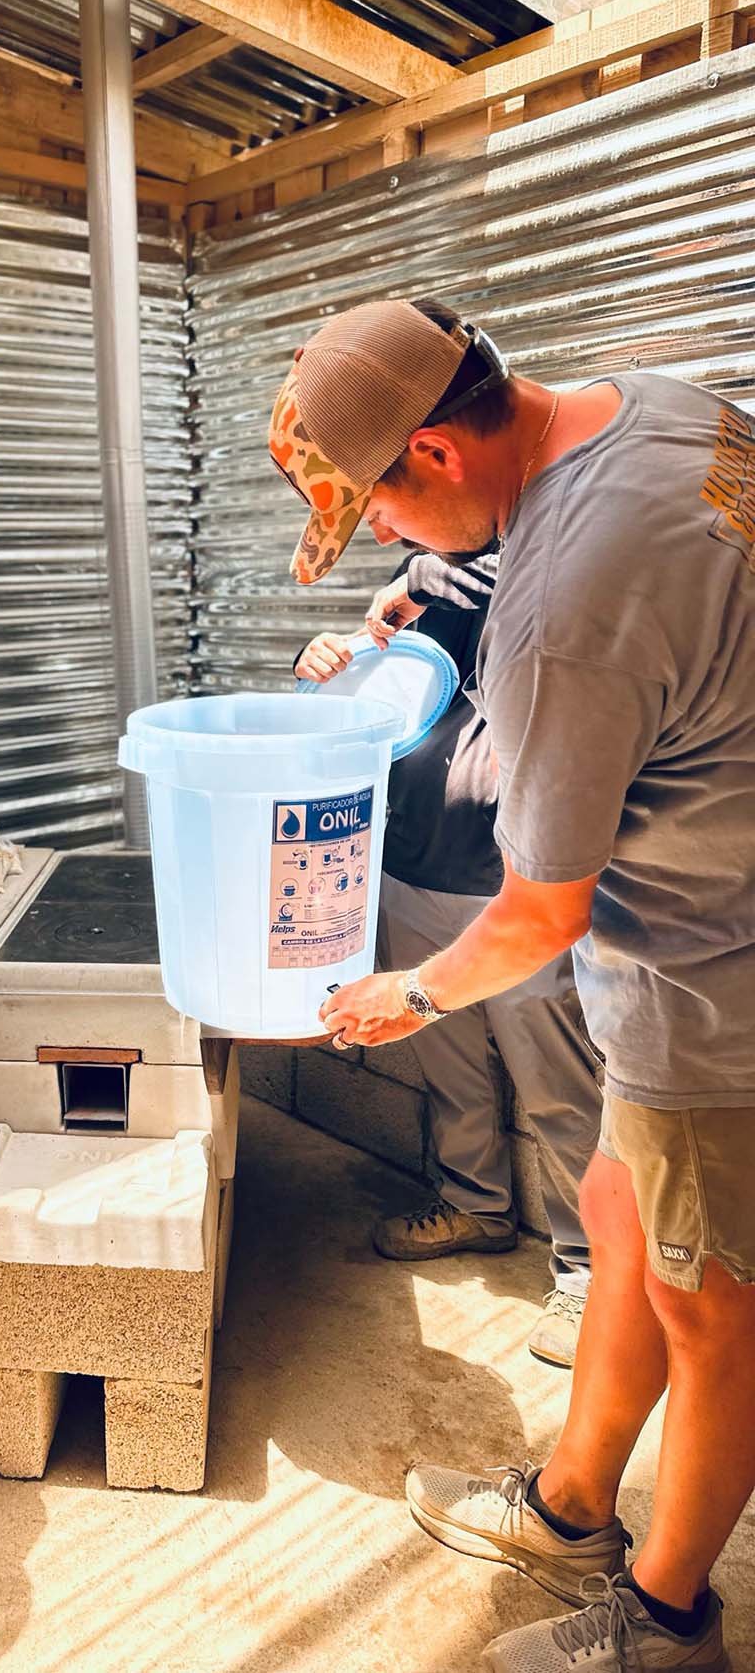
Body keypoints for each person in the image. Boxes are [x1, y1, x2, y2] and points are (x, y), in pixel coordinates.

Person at [269, 297, 754, 1671]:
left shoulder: (559, 619)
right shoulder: (653, 404)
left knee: (715, 1310)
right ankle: (569, 1505)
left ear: (434, 448)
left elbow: (541, 909)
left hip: (719, 978)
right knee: (616, 1209)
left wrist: (407, 995)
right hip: (710, 908)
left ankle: (667, 1621)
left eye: (378, 505)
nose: (382, 538)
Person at [295, 548, 602, 1368]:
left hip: (514, 892)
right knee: (447, 1062)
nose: (394, 525)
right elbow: (373, 691)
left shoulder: (526, 558)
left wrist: (415, 581)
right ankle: (476, 1204)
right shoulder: (417, 577)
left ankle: (589, 1271)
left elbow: (514, 577)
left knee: (558, 1085)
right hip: (410, 866)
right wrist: (323, 664)